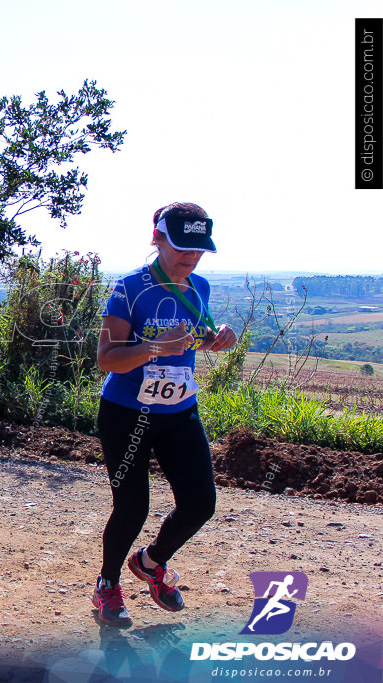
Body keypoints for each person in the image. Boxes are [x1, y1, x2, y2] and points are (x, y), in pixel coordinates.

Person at [91, 202, 237, 628]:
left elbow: (197, 339)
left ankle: (152, 563)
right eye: (181, 248)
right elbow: (107, 358)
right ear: (157, 239)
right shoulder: (130, 288)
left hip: (178, 412)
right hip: (126, 413)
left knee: (200, 504)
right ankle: (107, 584)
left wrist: (218, 339)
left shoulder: (200, 287)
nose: (190, 258)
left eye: (198, 250)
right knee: (133, 507)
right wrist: (156, 347)